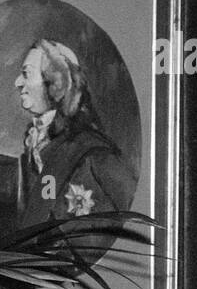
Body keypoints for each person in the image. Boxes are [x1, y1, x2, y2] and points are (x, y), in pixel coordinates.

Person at [10, 38, 137, 231]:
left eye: (26, 74)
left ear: (55, 83)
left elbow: (105, 226)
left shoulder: (93, 153)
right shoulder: (34, 143)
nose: (18, 82)